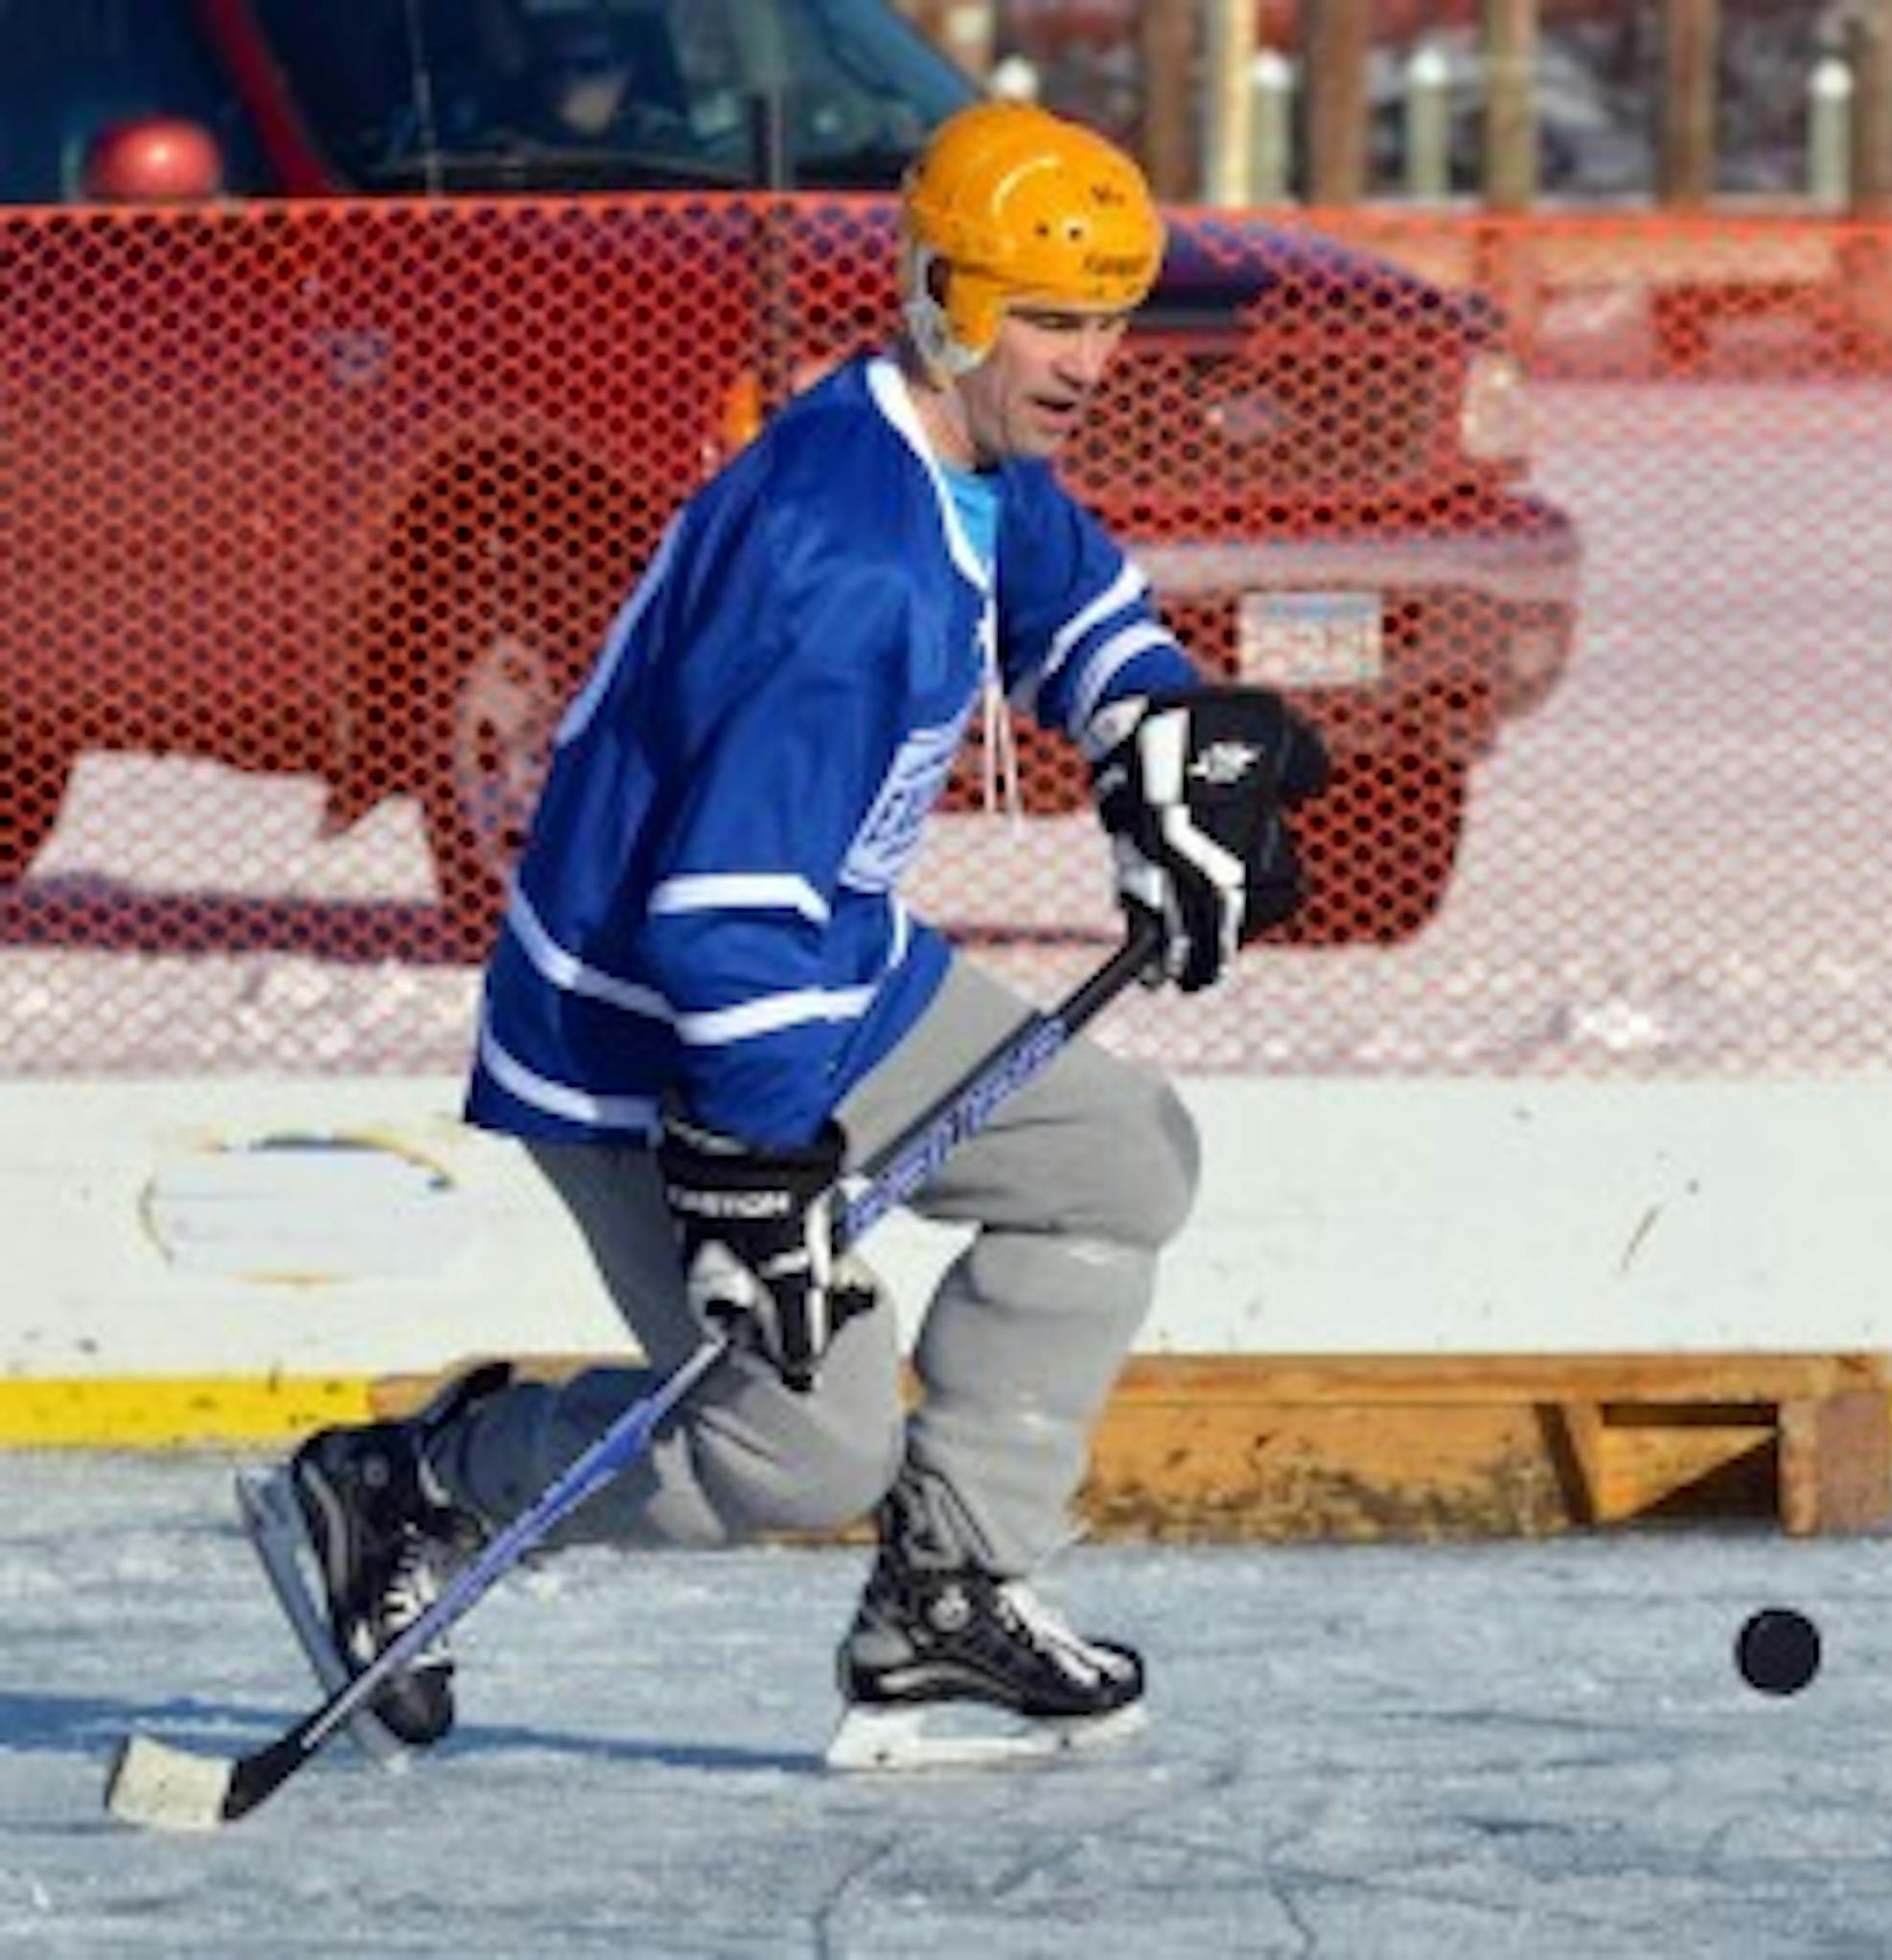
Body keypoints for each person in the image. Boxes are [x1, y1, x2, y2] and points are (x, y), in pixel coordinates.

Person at [267, 100, 1326, 1764]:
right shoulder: (846, 566)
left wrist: (1162, 744)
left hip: (824, 969)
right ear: (940, 295)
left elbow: (1066, 595)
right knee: (800, 1452)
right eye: (1046, 316)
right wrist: (753, 1176)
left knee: (1113, 1163)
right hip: (650, 1034)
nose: (1084, 359)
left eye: (1106, 316)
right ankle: (407, 1484)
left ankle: (948, 1601)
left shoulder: (958, 446)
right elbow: (719, 909)